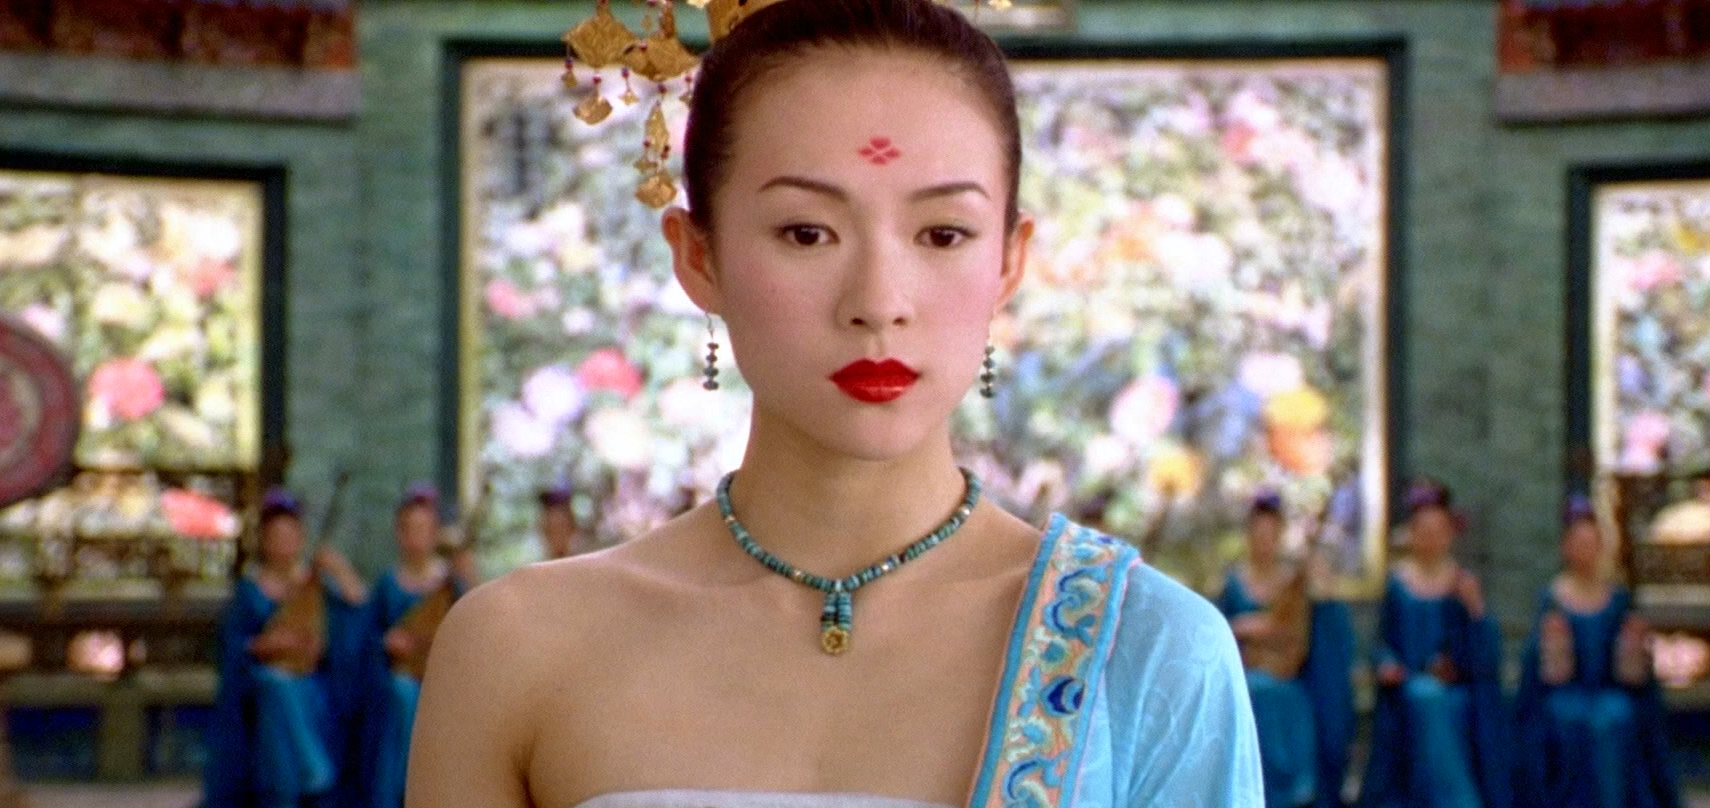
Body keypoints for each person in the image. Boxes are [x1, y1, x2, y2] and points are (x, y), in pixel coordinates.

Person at [405, 0, 1263, 804]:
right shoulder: (518, 649)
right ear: (698, 256)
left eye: (943, 234)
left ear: (1008, 259)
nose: (878, 301)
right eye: (807, 232)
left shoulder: (1147, 652)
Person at [1513, 496, 1683, 808]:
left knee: (1613, 717)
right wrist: (1551, 647)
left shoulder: (1617, 598)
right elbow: (1536, 671)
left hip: (1609, 693)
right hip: (1566, 695)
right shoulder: (1553, 599)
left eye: (1591, 543)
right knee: (1569, 718)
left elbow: (1636, 674)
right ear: (1566, 547)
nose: (1585, 550)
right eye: (1578, 543)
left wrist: (1633, 648)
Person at [201, 488, 367, 808]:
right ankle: (314, 771)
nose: (284, 543)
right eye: (277, 536)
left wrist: (338, 569)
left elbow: (358, 613)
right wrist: (265, 645)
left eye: (290, 535)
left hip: (311, 689)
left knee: (283, 697)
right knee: (273, 686)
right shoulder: (250, 590)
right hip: (259, 690)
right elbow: (231, 647)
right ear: (265, 540)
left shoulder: (313, 585)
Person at [1359, 480, 1512, 808]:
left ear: (1450, 535)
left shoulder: (1462, 584)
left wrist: (1476, 610)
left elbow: (1485, 655)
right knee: (1422, 695)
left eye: (1438, 531)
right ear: (1412, 534)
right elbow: (1381, 643)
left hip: (1454, 691)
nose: (1431, 539)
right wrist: (1386, 664)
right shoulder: (1399, 584)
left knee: (1437, 699)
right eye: (1423, 531)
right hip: (1406, 687)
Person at [1215, 491, 1356, 808]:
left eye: (1270, 534)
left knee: (1283, 698)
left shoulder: (1293, 584)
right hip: (1243, 679)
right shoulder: (1234, 583)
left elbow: (1317, 637)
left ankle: (1294, 789)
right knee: (1257, 691)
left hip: (1290, 681)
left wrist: (1279, 627)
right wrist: (1242, 627)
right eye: (1258, 534)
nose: (1264, 542)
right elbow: (1217, 634)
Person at [361, 483, 477, 808]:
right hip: (392, 688)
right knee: (401, 694)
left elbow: (472, 630)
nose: (416, 537)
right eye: (410, 529)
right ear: (399, 533)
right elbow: (365, 642)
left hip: (441, 685)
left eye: (424, 529)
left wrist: (469, 579)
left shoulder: (449, 582)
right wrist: (386, 643)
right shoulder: (387, 584)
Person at [539, 486, 578, 561]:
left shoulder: (587, 565)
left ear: (572, 530)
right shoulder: (536, 567)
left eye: (562, 529)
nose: (557, 537)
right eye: (551, 531)